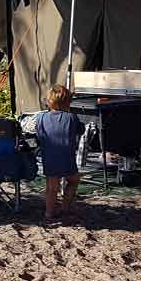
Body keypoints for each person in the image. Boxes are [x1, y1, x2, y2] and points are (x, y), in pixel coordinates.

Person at [35, 84, 84, 220]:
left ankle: (49, 212)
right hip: (66, 157)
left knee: (52, 187)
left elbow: (39, 136)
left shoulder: (41, 118)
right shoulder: (71, 118)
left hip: (49, 156)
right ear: (68, 102)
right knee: (73, 180)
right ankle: (65, 207)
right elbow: (81, 130)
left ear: (49, 100)